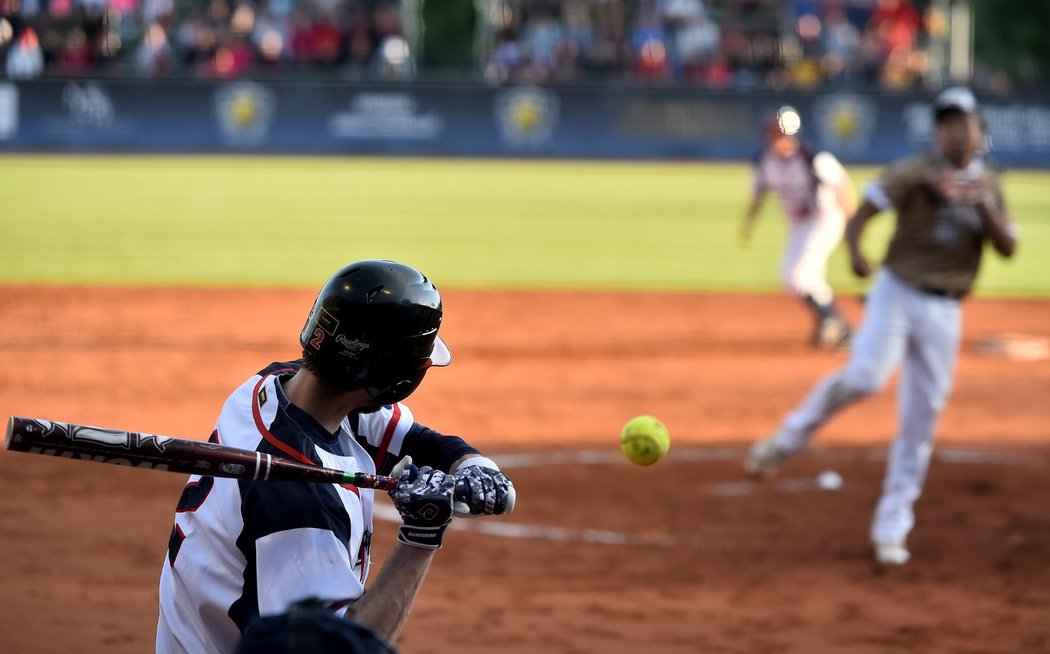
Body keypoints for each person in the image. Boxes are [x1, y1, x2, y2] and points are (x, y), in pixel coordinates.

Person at [157, 259, 516, 653]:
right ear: (398, 375)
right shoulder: (301, 510)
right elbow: (340, 650)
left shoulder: (280, 384)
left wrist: (476, 467)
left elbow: (418, 441)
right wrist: (421, 536)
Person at [745, 87, 1018, 565]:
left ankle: (893, 524)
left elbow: (1008, 248)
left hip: (946, 308)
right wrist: (855, 252)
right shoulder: (915, 172)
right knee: (864, 377)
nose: (957, 131)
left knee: (922, 416)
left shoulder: (988, 183)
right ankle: (784, 441)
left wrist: (980, 205)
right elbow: (864, 212)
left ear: (978, 130)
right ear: (937, 131)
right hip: (898, 291)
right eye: (948, 123)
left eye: (965, 123)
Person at [741, 105, 858, 349]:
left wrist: (851, 225)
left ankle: (835, 325)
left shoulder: (814, 159)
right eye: (771, 133)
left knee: (801, 276)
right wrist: (748, 224)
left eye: (778, 133)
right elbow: (758, 195)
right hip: (798, 224)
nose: (774, 138)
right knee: (791, 277)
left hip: (824, 220)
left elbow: (844, 187)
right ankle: (835, 325)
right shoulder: (764, 162)